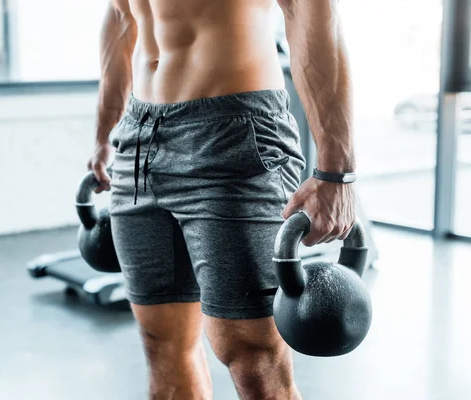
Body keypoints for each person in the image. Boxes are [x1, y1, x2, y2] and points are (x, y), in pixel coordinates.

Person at [88, 0, 356, 398]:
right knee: (161, 342)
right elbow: (121, 15)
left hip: (235, 131)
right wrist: (104, 132)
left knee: (253, 357)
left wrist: (337, 172)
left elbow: (309, 11)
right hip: (138, 138)